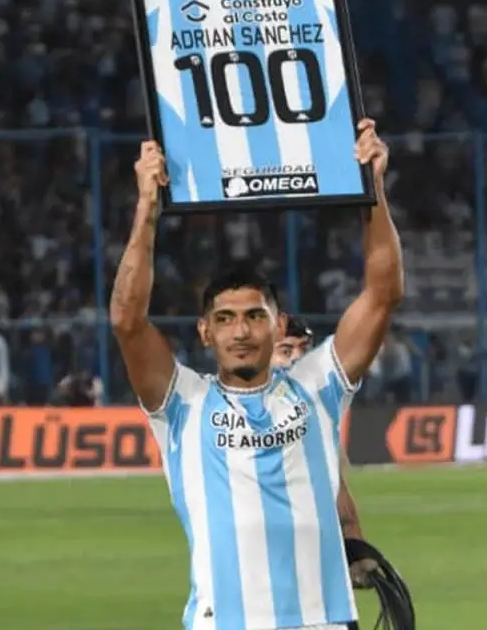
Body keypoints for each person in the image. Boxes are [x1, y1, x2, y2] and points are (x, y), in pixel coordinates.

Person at [110, 118, 404, 630]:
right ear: (205, 332)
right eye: (224, 319)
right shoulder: (184, 402)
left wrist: (372, 189)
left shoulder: (317, 386)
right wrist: (146, 211)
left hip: (325, 622)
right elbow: (126, 321)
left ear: (278, 325)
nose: (240, 332)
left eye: (254, 317)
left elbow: (383, 294)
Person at [272, 317, 376, 584]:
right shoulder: (223, 407)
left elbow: (334, 478)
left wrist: (354, 538)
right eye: (286, 351)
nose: (297, 358)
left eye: (304, 349)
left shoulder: (318, 399)